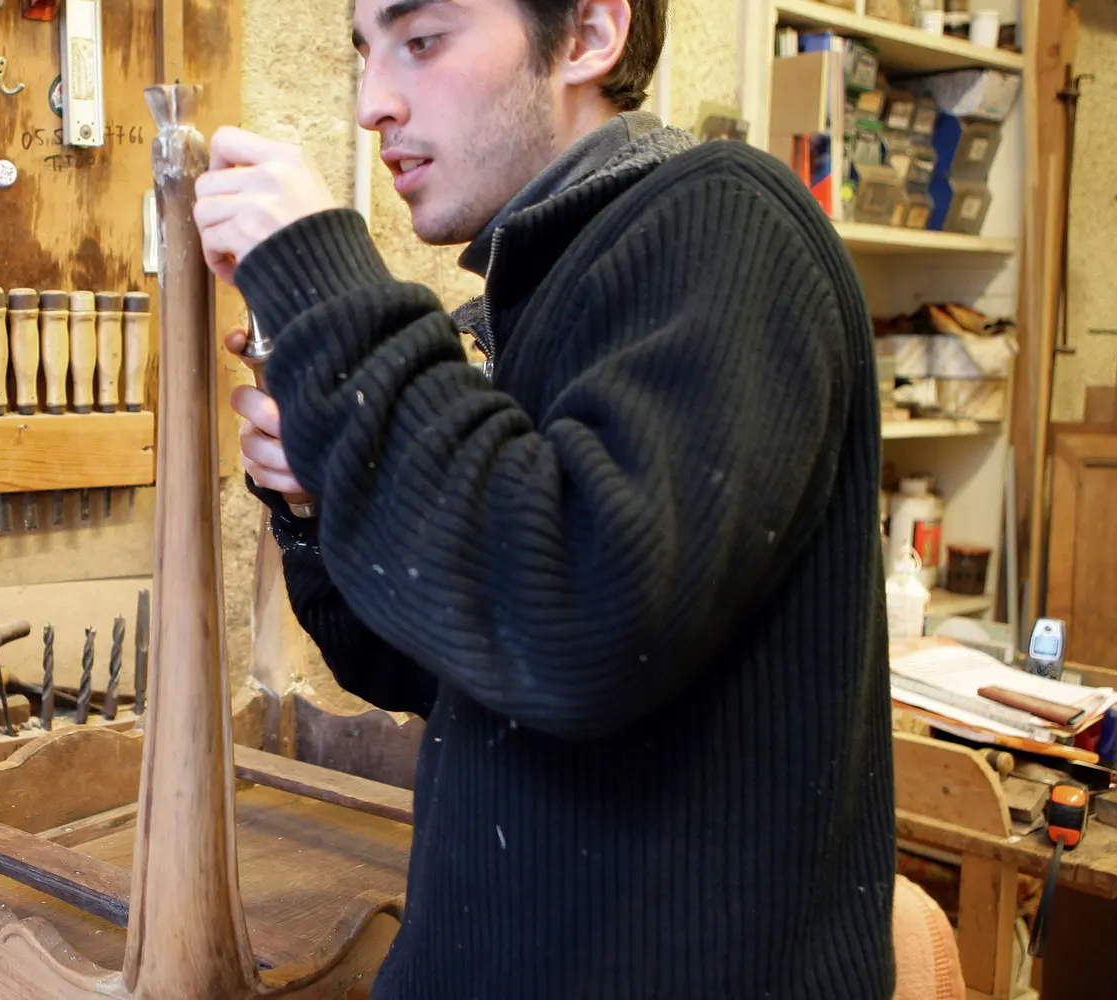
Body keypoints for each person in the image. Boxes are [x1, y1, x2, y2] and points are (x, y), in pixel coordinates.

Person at [192, 0, 896, 997]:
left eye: (422, 41)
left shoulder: (726, 221)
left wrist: (326, 278)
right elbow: (449, 661)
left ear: (588, 35)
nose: (371, 104)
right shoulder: (550, 290)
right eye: (364, 55)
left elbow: (579, 619)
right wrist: (316, 500)